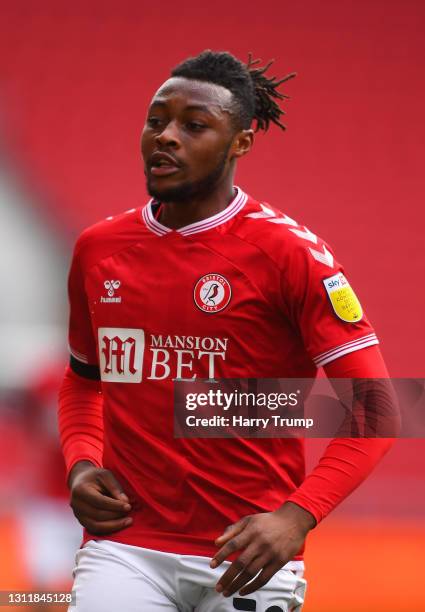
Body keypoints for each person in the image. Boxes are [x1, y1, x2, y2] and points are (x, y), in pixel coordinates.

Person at [58, 50, 394, 612]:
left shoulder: (289, 254)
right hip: (125, 548)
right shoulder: (98, 250)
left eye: (193, 126)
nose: (165, 137)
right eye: (156, 120)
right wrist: (82, 463)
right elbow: (83, 381)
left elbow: (377, 409)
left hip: (246, 553)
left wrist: (296, 517)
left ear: (240, 142)